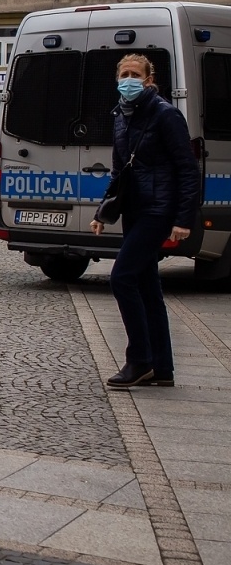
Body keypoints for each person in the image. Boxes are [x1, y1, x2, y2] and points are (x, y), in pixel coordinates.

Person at [91, 53, 200, 389]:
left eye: (136, 74)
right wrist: (102, 212)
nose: (129, 79)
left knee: (122, 278)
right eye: (124, 74)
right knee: (147, 285)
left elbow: (187, 168)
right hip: (135, 209)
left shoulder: (166, 114)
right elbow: (119, 171)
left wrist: (183, 218)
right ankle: (161, 367)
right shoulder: (121, 116)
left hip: (158, 209)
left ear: (149, 80)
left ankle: (139, 359)